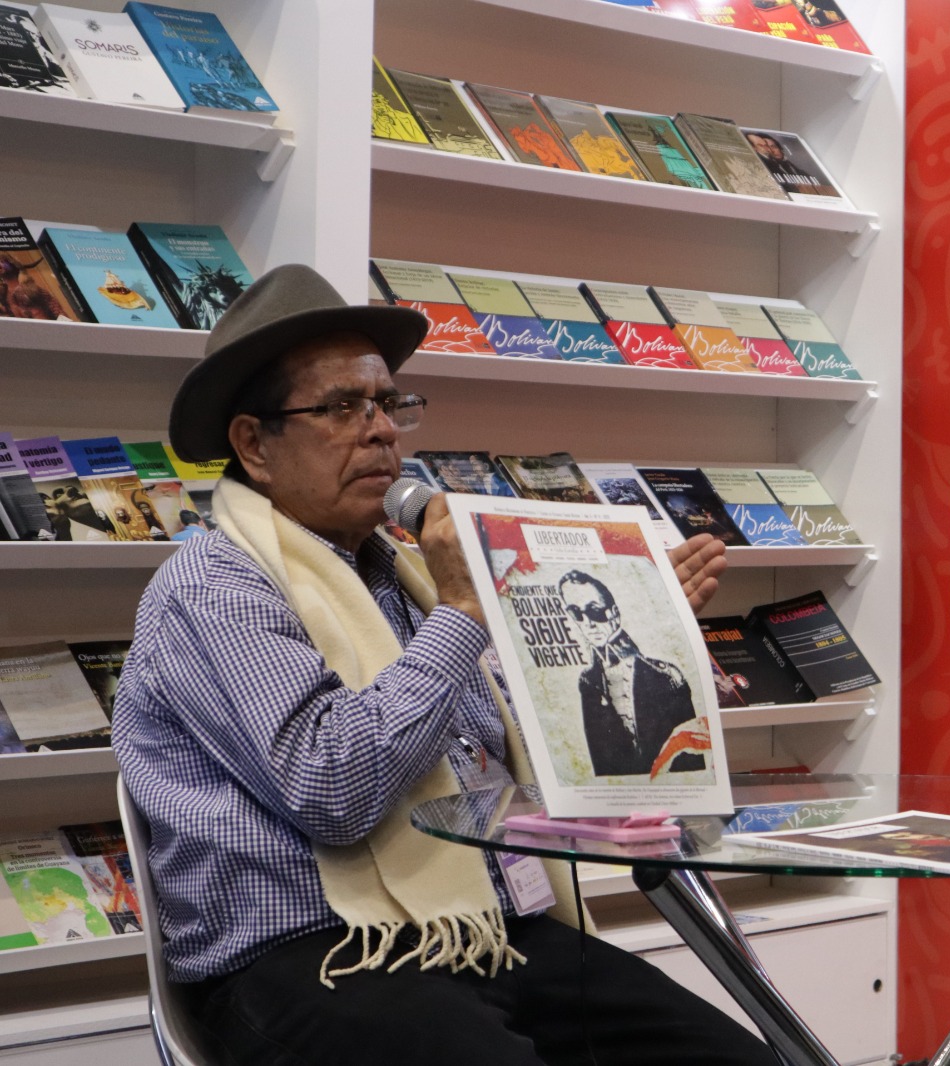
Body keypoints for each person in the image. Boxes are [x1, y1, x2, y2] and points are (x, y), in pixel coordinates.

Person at [111, 264, 771, 1065]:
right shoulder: (215, 585)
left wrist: (638, 630)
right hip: (313, 953)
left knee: (739, 1057)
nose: (382, 432)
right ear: (254, 444)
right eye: (342, 408)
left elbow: (528, 753)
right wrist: (461, 611)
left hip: (485, 933)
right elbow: (333, 790)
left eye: (388, 404)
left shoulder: (404, 574)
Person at [559, 570, 704, 778]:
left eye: (594, 610)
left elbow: (692, 757)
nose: (588, 623)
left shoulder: (667, 675)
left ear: (614, 613)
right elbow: (602, 763)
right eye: (576, 614)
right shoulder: (588, 682)